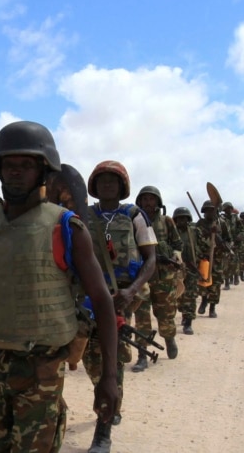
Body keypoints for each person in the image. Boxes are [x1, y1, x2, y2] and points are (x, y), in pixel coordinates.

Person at [0, 121, 119, 453]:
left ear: (43, 171)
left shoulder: (67, 227)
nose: (16, 173)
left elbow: (102, 301)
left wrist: (109, 379)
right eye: (8, 165)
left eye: (26, 165)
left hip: (40, 371)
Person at [80, 160, 158, 453]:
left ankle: (103, 430)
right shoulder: (84, 215)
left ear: (122, 186)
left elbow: (150, 259)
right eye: (102, 181)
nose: (107, 185)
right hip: (87, 297)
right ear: (94, 186)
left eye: (113, 181)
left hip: (120, 297)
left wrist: (132, 290)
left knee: (110, 361)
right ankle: (111, 401)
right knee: (90, 360)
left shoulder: (135, 215)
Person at [129, 185, 184, 368]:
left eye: (151, 199)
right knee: (141, 317)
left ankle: (169, 338)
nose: (148, 202)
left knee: (166, 314)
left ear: (158, 202)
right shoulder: (134, 220)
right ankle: (142, 356)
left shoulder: (166, 221)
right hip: (142, 278)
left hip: (164, 277)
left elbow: (177, 244)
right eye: (144, 199)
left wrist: (175, 256)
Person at [172, 206, 205, 336]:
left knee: (190, 296)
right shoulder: (172, 232)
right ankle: (184, 313)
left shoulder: (194, 232)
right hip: (177, 268)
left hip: (191, 268)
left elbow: (203, 245)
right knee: (178, 296)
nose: (182, 221)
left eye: (184, 218)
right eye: (179, 218)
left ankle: (188, 322)